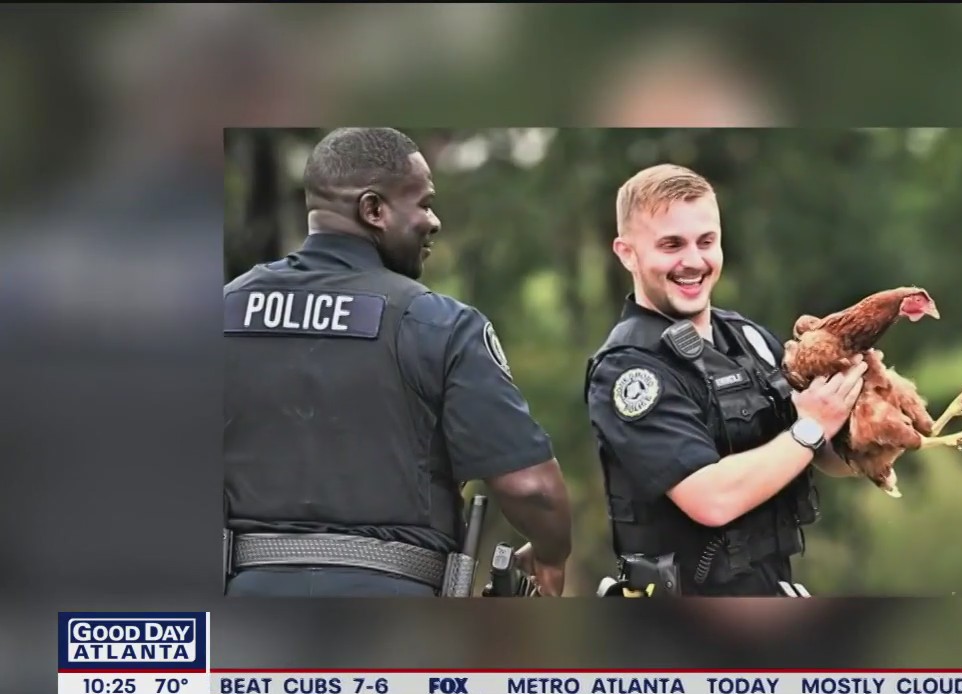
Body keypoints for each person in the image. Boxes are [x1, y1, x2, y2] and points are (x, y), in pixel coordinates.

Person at [223, 127, 572, 598]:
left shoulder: (227, 309)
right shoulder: (438, 324)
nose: (434, 220)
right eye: (423, 203)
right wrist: (550, 557)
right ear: (374, 210)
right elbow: (531, 488)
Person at [584, 163, 867, 598]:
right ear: (626, 253)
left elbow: (825, 456)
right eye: (671, 244)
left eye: (706, 241)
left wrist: (867, 419)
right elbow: (710, 498)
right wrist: (812, 426)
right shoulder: (630, 369)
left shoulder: (748, 338)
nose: (693, 261)